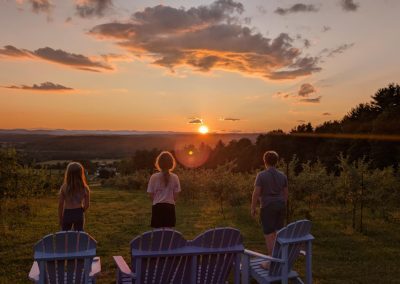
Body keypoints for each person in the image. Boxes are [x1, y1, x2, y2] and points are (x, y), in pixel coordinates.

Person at [251, 151, 288, 268]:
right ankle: (278, 258)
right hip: (280, 205)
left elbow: (256, 193)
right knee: (278, 232)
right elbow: (285, 193)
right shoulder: (282, 176)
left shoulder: (261, 175)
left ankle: (271, 261)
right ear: (276, 162)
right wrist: (283, 204)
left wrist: (253, 208)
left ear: (264, 161)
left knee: (268, 233)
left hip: (267, 206)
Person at [147, 151, 181, 228]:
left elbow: (151, 195)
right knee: (168, 233)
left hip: (157, 207)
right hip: (170, 208)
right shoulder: (175, 177)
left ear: (159, 163)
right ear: (171, 163)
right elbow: (176, 196)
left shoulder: (153, 177)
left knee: (158, 234)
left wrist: (157, 200)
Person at [58, 162, 90, 231]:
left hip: (67, 213)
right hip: (79, 212)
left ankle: (67, 242)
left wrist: (60, 218)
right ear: (81, 173)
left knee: (65, 233)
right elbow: (87, 205)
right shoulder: (85, 187)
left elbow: (60, 204)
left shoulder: (64, 187)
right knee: (79, 233)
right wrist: (81, 211)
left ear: (68, 173)